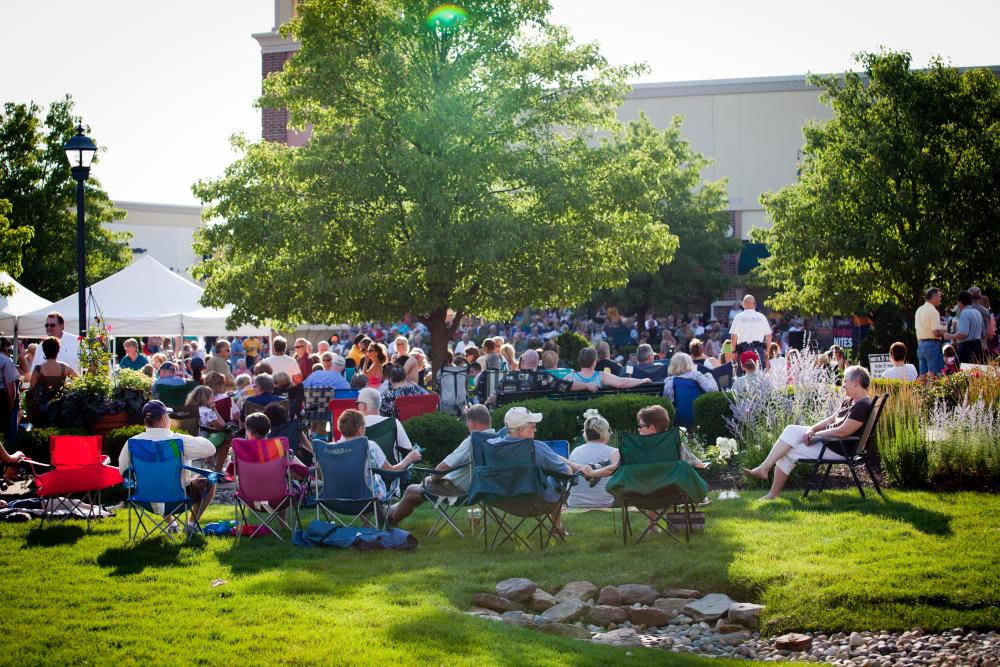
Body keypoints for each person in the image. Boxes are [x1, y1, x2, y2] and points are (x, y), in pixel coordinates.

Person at [743, 365, 873, 499]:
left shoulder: (862, 406)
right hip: (830, 442)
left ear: (856, 381)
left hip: (837, 448)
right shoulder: (851, 401)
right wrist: (812, 429)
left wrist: (816, 435)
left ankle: (771, 491)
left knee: (788, 452)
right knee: (791, 430)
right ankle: (765, 469)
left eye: (845, 381)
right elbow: (831, 419)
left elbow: (843, 432)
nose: (843, 385)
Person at [387, 404, 496, 525]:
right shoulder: (495, 440)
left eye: (467, 423)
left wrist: (434, 478)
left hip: (461, 492)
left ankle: (390, 520)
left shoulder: (472, 441)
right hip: (482, 489)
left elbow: (442, 467)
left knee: (412, 490)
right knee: (420, 488)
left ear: (472, 423)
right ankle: (389, 510)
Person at [118, 400, 217, 529]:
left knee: (158, 480)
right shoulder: (177, 441)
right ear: (164, 418)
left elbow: (123, 470)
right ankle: (191, 524)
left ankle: (172, 525)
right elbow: (211, 449)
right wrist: (183, 436)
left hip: (145, 499)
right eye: (168, 416)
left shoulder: (132, 442)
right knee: (211, 479)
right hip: (177, 499)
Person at [490, 406, 584, 535]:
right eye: (533, 426)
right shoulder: (536, 448)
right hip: (535, 500)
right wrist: (570, 469)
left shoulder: (493, 447)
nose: (536, 429)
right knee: (560, 480)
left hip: (502, 500)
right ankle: (557, 527)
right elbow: (565, 472)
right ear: (521, 430)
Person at [582, 405, 708, 483]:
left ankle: (652, 527)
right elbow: (698, 465)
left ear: (652, 427)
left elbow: (612, 469)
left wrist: (592, 473)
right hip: (672, 492)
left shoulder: (633, 449)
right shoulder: (674, 446)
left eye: (641, 426)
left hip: (641, 494)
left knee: (648, 484)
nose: (638, 429)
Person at [335, 408, 422, 502]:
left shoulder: (334, 449)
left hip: (341, 497)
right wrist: (409, 458)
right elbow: (391, 471)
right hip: (369, 496)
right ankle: (381, 513)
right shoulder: (370, 446)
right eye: (364, 427)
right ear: (360, 430)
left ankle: (366, 514)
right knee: (376, 476)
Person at [567, 411, 617, 509]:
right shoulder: (614, 452)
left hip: (574, 502)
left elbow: (569, 474)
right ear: (604, 432)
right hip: (604, 503)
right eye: (608, 430)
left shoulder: (576, 451)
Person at [355, 387, 415, 454]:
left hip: (364, 464)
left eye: (358, 403)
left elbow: (344, 450)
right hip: (393, 464)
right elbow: (408, 449)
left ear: (364, 406)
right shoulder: (394, 423)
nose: (357, 406)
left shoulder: (353, 427)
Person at [568, 347, 651, 393]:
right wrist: (642, 380)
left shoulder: (569, 377)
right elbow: (622, 382)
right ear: (594, 362)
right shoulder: (601, 376)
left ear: (579, 361)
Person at [729, 295, 772, 372]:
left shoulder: (738, 317)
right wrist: (767, 351)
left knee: (743, 376)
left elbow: (734, 335)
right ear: (754, 304)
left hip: (743, 350)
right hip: (758, 350)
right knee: (760, 376)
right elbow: (769, 335)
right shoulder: (761, 317)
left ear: (743, 304)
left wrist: (733, 351)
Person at [947, 291, 985, 364]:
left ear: (960, 302)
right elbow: (983, 332)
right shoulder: (977, 312)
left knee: (960, 372)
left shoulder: (964, 313)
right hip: (978, 346)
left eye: (957, 302)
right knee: (975, 372)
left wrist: (950, 335)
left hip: (967, 348)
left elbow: (963, 334)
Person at [915, 287, 946, 375]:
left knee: (923, 375)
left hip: (921, 345)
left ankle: (921, 389)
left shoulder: (919, 310)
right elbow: (936, 332)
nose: (940, 299)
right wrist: (945, 332)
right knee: (936, 375)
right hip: (932, 345)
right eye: (939, 296)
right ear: (935, 296)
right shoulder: (934, 311)